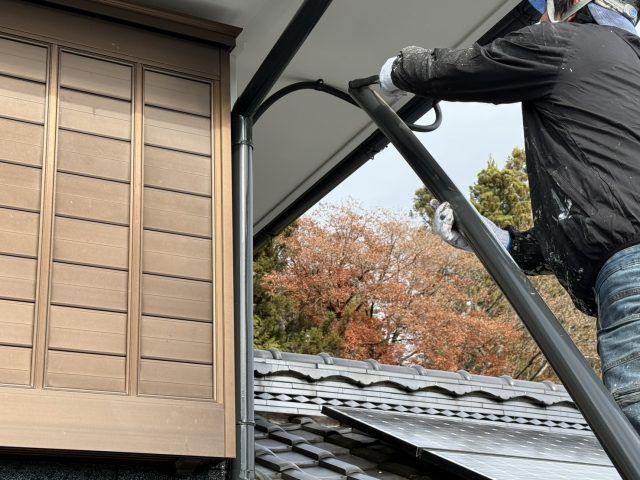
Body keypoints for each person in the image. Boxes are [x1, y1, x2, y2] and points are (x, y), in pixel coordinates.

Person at [379, 0, 640, 431]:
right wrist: (506, 244)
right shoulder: (623, 70)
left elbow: (475, 66)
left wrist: (398, 71)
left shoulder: (569, 44)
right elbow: (605, 210)